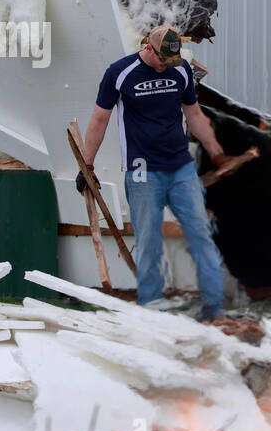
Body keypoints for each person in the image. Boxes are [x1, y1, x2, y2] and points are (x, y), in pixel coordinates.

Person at [77, 25, 257, 321]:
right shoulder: (120, 73)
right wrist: (87, 165)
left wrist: (216, 152)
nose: (166, 66)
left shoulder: (181, 69)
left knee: (200, 231)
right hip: (142, 171)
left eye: (171, 61)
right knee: (149, 238)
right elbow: (99, 119)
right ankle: (151, 305)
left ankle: (215, 307)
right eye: (162, 60)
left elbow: (194, 114)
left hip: (181, 168)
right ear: (148, 47)